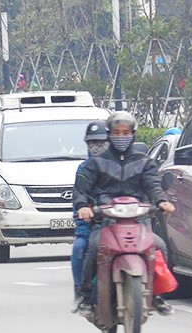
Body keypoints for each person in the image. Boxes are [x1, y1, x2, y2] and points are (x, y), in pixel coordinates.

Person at [73, 111, 175, 317]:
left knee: (160, 246)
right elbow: (81, 189)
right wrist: (83, 206)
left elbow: (153, 185)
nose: (121, 137)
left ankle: (156, 295)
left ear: (133, 134)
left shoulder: (144, 162)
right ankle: (84, 296)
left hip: (138, 221)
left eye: (126, 132)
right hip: (105, 222)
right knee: (92, 247)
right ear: (109, 135)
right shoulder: (96, 163)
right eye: (117, 132)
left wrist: (162, 201)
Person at [70, 122, 109, 305]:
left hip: (122, 223)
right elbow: (80, 195)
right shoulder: (84, 169)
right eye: (92, 142)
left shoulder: (122, 165)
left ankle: (156, 295)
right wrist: (83, 210)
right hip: (94, 224)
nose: (97, 147)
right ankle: (81, 292)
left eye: (101, 142)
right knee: (80, 247)